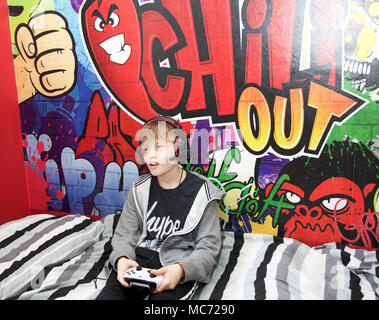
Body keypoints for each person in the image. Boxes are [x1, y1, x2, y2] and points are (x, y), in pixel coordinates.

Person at [96, 116, 225, 300]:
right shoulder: (139, 188)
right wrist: (122, 258)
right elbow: (125, 235)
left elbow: (208, 249)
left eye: (158, 147)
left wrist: (181, 270)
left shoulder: (203, 193)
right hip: (138, 264)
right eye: (146, 149)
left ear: (178, 148)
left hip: (176, 266)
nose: (150, 156)